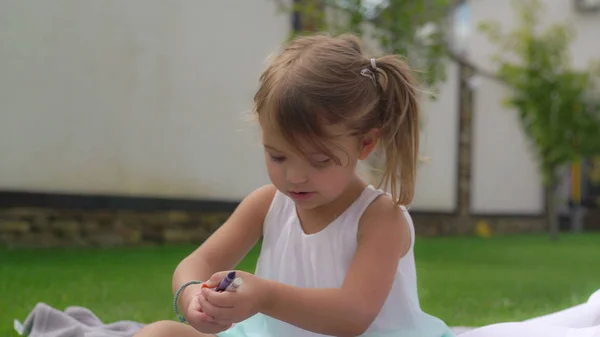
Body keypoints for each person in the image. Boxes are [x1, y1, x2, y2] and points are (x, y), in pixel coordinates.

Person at [134, 33, 600, 337]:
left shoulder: (380, 219)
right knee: (157, 334)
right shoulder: (266, 204)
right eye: (277, 156)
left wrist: (266, 295)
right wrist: (192, 295)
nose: (294, 176)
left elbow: (353, 314)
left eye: (319, 160)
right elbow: (196, 262)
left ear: (364, 144)